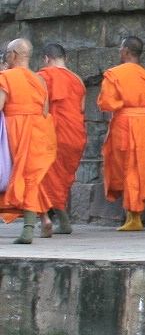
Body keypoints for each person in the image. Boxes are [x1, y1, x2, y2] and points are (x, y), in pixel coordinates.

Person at [97, 37, 145, 232]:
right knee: (140, 166)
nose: (119, 50)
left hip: (124, 121)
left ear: (127, 51)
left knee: (127, 166)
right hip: (143, 122)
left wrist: (122, 105)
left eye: (120, 47)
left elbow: (106, 103)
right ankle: (134, 213)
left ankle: (133, 215)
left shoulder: (115, 74)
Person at [0, 39, 54, 244]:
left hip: (14, 132)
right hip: (37, 130)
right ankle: (28, 229)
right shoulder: (39, 80)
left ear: (13, 54)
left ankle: (29, 229)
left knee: (9, 175)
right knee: (31, 179)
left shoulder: (5, 76)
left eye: (6, 53)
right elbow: (46, 111)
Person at [37, 43, 87, 238]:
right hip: (75, 134)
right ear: (64, 58)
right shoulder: (78, 80)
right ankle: (60, 219)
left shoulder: (43, 76)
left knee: (46, 177)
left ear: (46, 59)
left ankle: (55, 220)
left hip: (54, 133)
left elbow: (42, 107)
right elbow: (81, 108)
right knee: (62, 178)